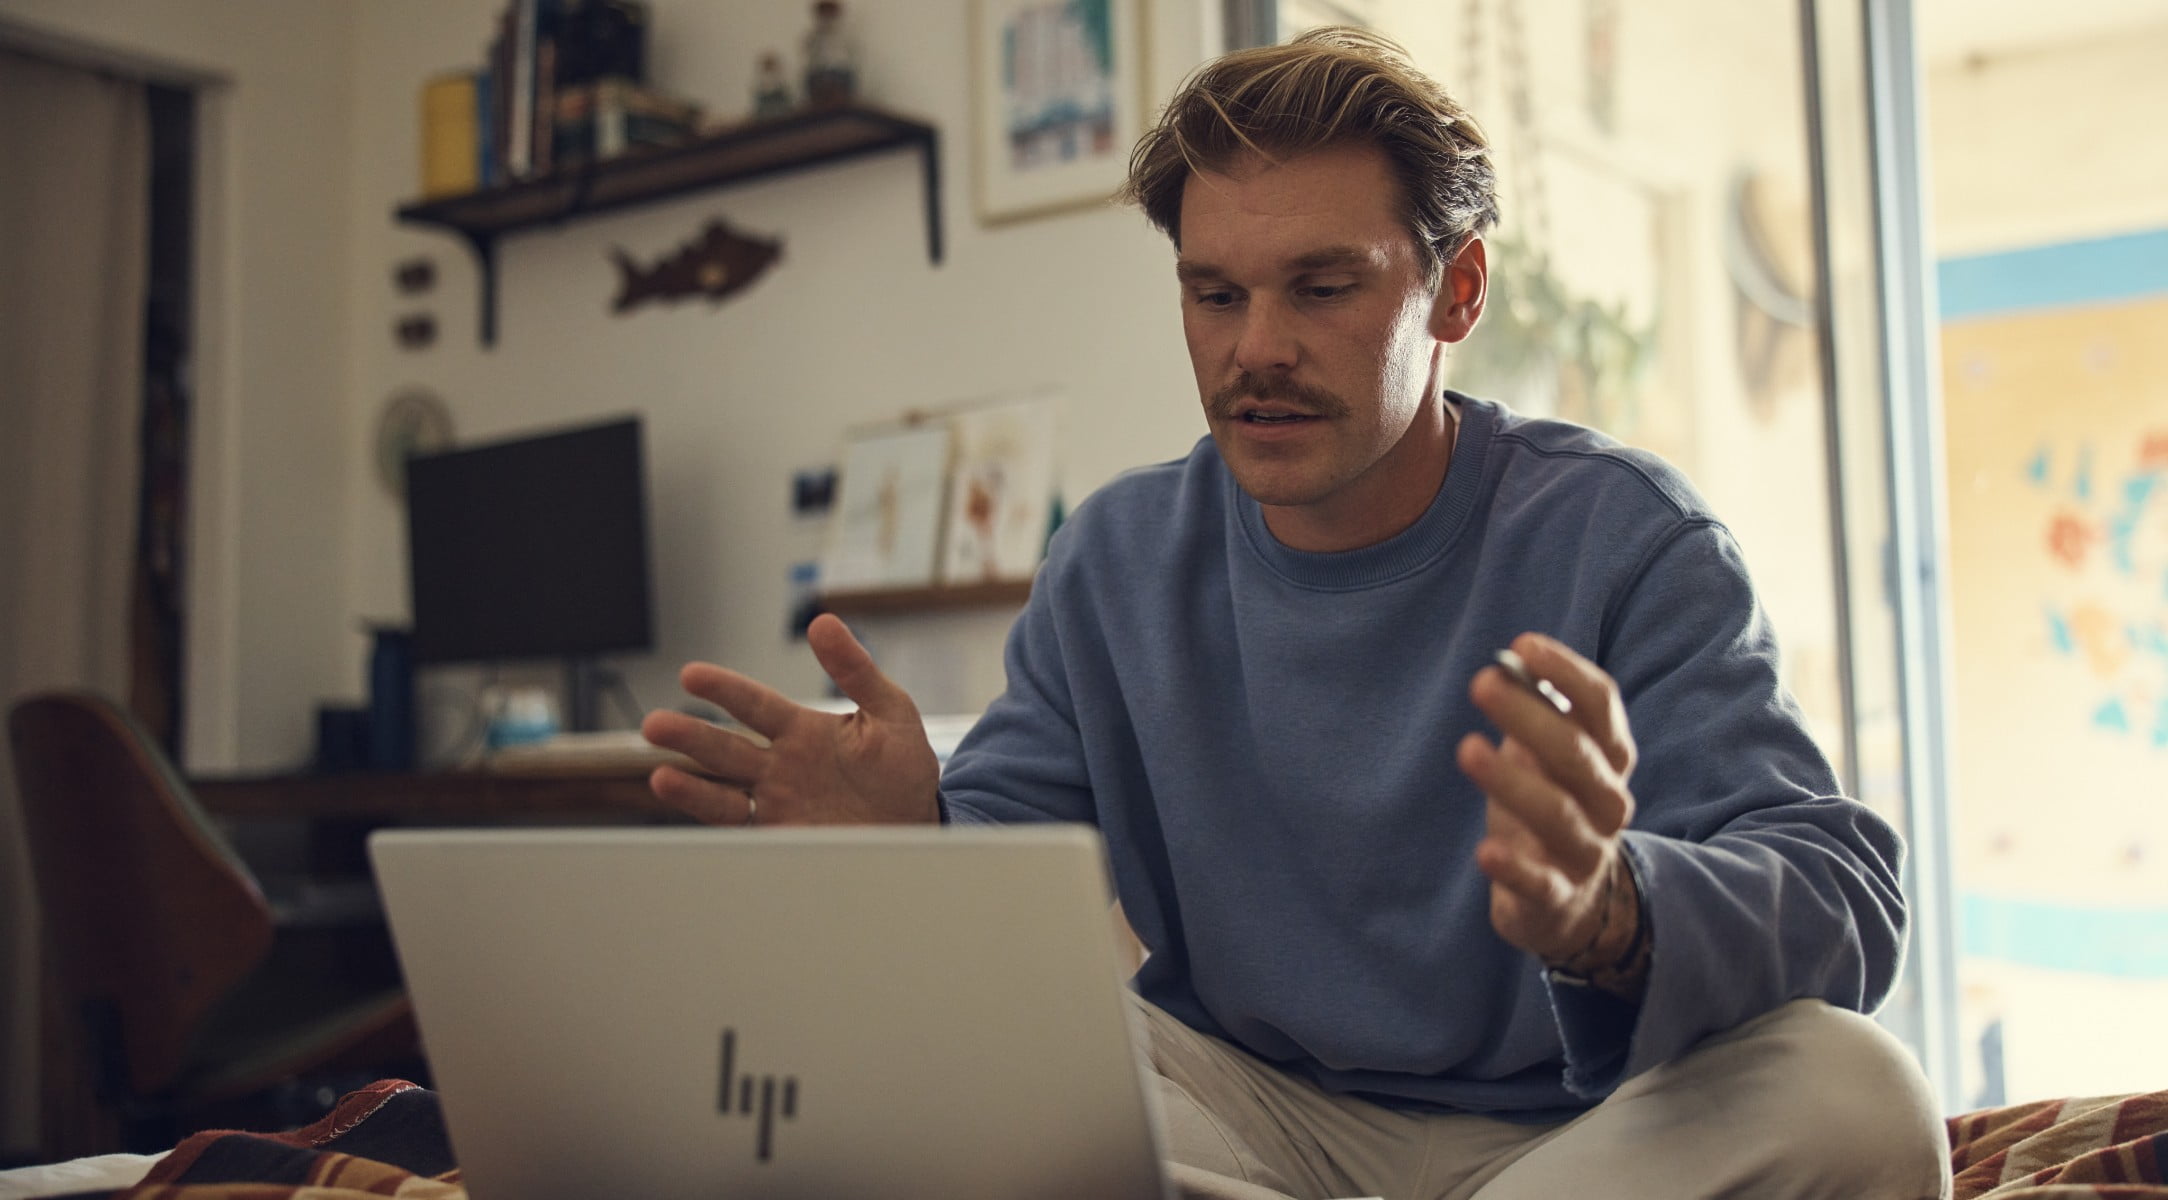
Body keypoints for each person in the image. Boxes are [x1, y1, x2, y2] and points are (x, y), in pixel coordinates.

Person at [642, 26, 1950, 1200]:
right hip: (1251, 1117)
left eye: (1321, 289)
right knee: (917, 1060)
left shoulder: (1623, 539)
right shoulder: (1114, 561)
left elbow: (1843, 892)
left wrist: (1613, 914)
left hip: (1575, 1137)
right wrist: (913, 841)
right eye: (1214, 294)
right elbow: (1007, 894)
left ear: (1458, 295)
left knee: (1860, 1098)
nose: (1253, 347)